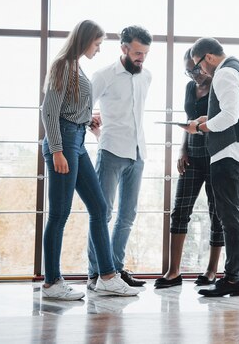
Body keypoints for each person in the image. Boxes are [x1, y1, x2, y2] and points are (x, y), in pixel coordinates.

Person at [40, 19, 140, 300]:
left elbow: (69, 106)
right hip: (64, 143)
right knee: (59, 214)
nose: (98, 49)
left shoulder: (75, 65)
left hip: (77, 141)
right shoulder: (63, 64)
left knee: (98, 208)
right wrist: (58, 150)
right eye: (97, 44)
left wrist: (86, 118)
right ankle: (51, 283)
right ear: (85, 40)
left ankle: (107, 276)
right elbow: (49, 111)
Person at [184, 37, 239, 297]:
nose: (200, 72)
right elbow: (234, 110)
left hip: (229, 154)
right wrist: (207, 119)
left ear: (208, 57)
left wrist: (199, 127)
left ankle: (232, 279)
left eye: (198, 65)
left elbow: (231, 117)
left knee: (231, 218)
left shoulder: (224, 73)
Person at [86, 25, 153, 290]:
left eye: (145, 53)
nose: (141, 58)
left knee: (127, 215)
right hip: (111, 150)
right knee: (102, 215)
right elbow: (83, 107)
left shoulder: (146, 76)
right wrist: (95, 130)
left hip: (138, 153)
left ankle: (115, 270)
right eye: (137, 52)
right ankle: (96, 274)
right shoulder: (104, 75)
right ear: (124, 48)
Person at [154, 48, 224, 289]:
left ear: (203, 63)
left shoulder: (219, 84)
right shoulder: (189, 88)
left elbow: (223, 120)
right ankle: (173, 272)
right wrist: (183, 150)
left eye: (195, 69)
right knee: (180, 209)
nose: (194, 75)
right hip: (193, 154)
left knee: (217, 213)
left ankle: (212, 270)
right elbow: (188, 123)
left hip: (215, 155)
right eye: (188, 71)